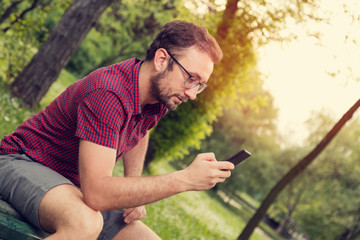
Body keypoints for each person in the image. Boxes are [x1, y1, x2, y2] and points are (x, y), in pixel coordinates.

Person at [0, 20, 234, 239]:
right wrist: (184, 179)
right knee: (85, 223)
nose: (192, 93)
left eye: (199, 85)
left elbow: (140, 131)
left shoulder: (158, 93)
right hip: (21, 162)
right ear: (162, 60)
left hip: (70, 185)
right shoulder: (109, 93)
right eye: (190, 78)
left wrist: (134, 185)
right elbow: (97, 193)